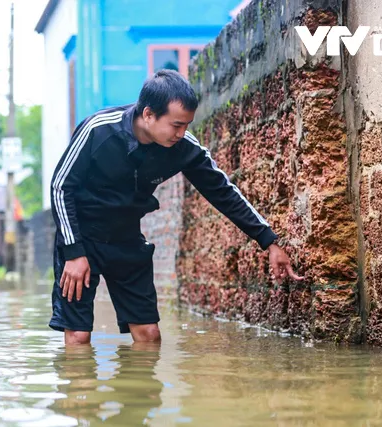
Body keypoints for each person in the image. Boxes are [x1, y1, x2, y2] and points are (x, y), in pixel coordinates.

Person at [50, 69, 303, 345]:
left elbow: (223, 192)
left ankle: (141, 388)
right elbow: (60, 187)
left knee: (149, 336)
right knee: (78, 335)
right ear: (148, 114)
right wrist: (74, 252)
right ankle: (78, 387)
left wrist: (269, 241)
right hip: (82, 238)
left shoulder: (183, 146)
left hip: (127, 239)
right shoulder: (98, 130)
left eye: (186, 125)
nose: (182, 134)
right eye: (176, 125)